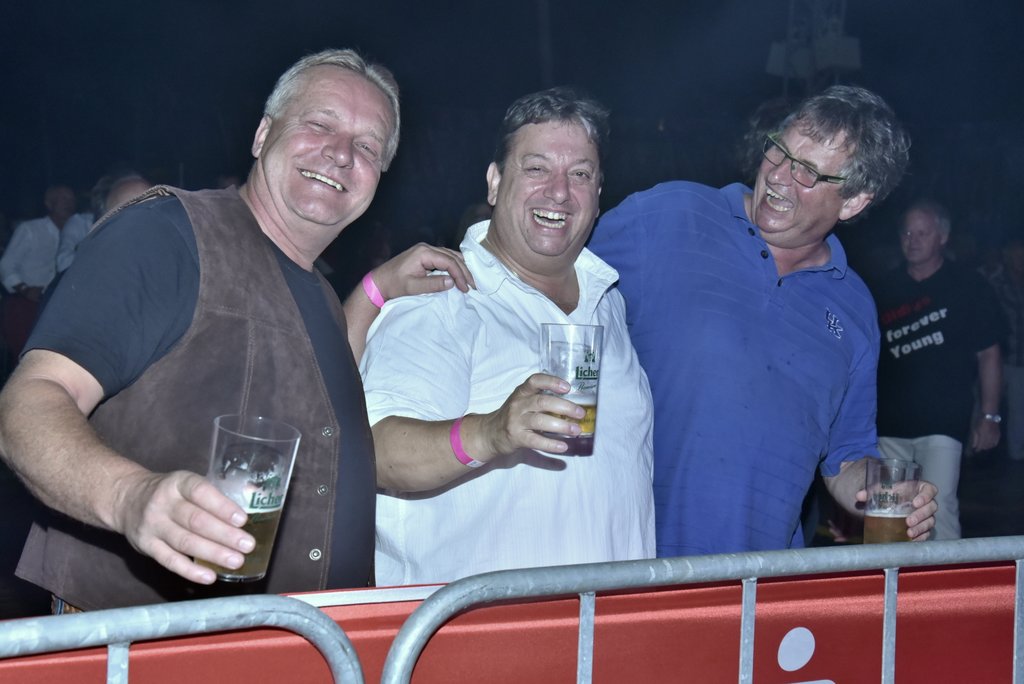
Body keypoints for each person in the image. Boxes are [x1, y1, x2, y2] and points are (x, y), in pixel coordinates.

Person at [0, 48, 471, 611]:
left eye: (367, 146)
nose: (342, 153)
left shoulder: (319, 292)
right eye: (319, 124)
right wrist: (130, 496)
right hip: (154, 641)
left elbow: (311, 394)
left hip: (302, 640)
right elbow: (28, 402)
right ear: (262, 135)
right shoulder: (167, 234)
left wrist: (375, 289)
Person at [588, 85, 937, 557]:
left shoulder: (853, 308)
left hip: (764, 577)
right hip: (632, 566)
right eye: (779, 150)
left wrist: (883, 492)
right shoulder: (670, 215)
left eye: (808, 171)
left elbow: (845, 457)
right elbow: (551, 281)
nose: (778, 176)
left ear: (853, 201)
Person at [360, 87, 655, 585]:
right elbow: (376, 453)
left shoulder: (607, 301)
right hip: (479, 626)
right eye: (537, 168)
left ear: (599, 194)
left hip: (607, 622)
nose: (559, 192)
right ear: (495, 182)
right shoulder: (441, 296)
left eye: (580, 174)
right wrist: (491, 431)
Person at [873, 200, 1003, 540]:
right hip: (888, 425)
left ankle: (945, 576)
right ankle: (891, 575)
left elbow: (989, 353)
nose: (912, 240)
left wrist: (989, 417)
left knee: (938, 509)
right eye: (907, 233)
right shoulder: (882, 288)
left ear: (942, 237)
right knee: (887, 515)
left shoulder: (969, 286)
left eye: (922, 233)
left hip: (943, 422)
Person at [0, 185, 90, 362]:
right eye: (64, 199)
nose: (69, 203)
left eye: (72, 199)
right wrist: (24, 289)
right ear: (49, 204)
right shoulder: (31, 229)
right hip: (27, 304)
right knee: (27, 359)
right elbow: (6, 265)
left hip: (59, 306)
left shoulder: (79, 231)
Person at [988, 236, 1024, 461]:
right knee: (985, 405)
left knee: (1019, 408)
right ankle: (971, 450)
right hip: (996, 356)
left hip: (1020, 359)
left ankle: (1016, 454)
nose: (1020, 261)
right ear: (1007, 256)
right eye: (1017, 256)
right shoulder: (995, 283)